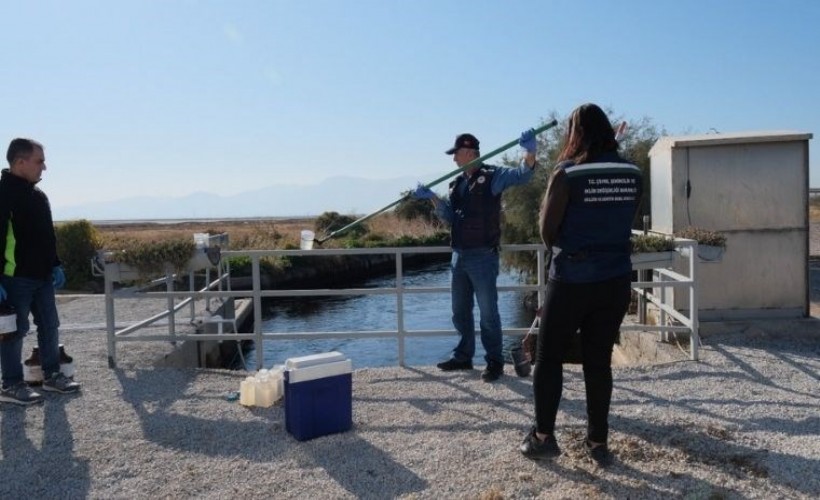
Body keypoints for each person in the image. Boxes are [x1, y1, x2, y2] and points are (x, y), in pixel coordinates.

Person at [519, 103, 642, 466]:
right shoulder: (633, 173)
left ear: (577, 133)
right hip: (616, 278)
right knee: (598, 361)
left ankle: (543, 436)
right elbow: (626, 218)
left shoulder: (568, 174)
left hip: (572, 278)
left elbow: (546, 229)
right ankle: (598, 444)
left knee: (549, 356)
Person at [411, 128, 538, 382]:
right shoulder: (456, 184)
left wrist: (529, 152)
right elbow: (449, 217)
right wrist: (432, 198)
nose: (454, 159)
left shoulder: (493, 176)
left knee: (488, 312)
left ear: (469, 153)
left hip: (483, 257)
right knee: (460, 311)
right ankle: (463, 356)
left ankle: (494, 362)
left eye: (456, 154)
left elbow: (522, 175)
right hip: (459, 256)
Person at [0, 138, 80, 406]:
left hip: (43, 276)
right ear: (20, 162)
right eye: (39, 161)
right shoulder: (3, 195)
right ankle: (11, 384)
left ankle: (52, 375)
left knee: (49, 325)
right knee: (14, 331)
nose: (44, 167)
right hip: (15, 278)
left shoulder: (38, 196)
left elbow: (47, 236)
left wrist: (55, 263)